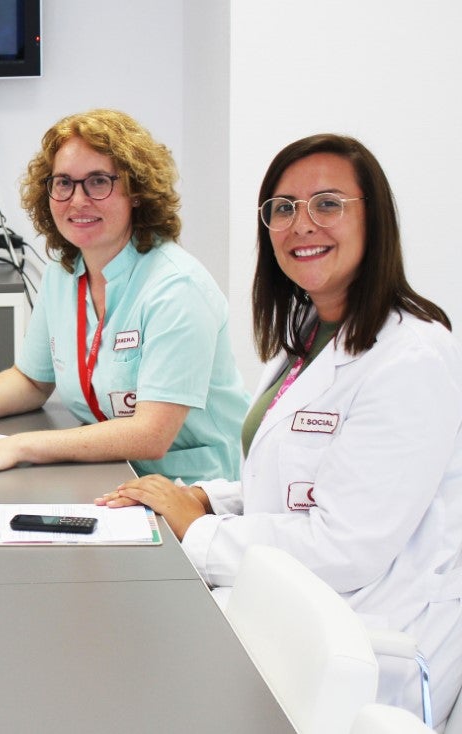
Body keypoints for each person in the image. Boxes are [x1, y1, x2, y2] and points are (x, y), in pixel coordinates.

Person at [100, 134, 462, 725]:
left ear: (376, 221)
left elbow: (346, 546)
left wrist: (201, 530)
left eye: (327, 204)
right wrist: (207, 497)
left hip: (368, 649)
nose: (301, 224)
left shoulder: (413, 358)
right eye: (283, 208)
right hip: (296, 612)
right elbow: (301, 479)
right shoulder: (314, 328)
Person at [0, 109, 247, 482]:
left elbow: (150, 435)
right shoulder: (63, 275)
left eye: (98, 182)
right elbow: (32, 381)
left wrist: (16, 446)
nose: (77, 200)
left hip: (191, 493)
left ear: (136, 192)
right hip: (107, 474)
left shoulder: (177, 288)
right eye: (63, 183)